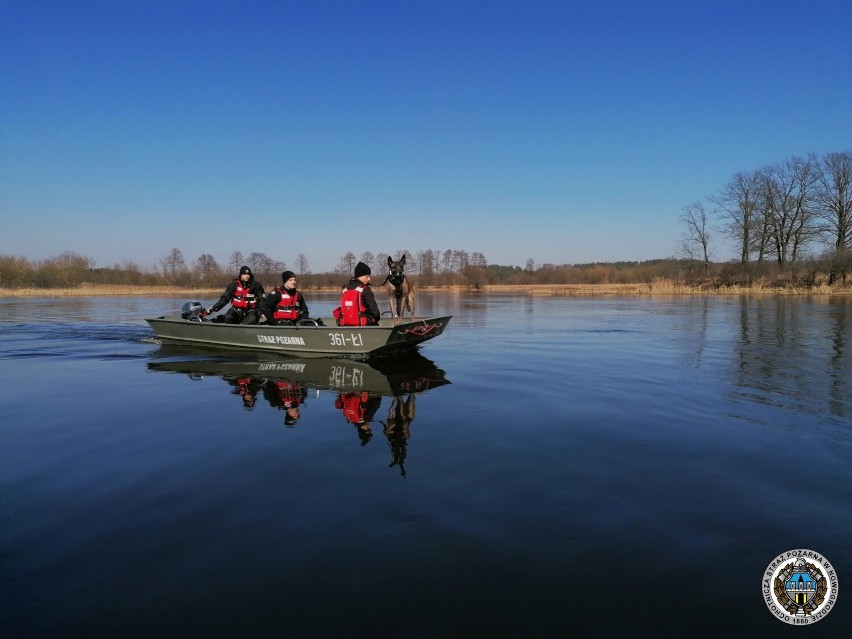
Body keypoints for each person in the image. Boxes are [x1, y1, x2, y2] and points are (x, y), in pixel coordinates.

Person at [337, 261, 381, 326]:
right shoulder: (365, 289)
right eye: (367, 276)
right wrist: (375, 319)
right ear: (360, 276)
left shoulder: (345, 288)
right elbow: (375, 313)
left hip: (345, 324)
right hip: (362, 324)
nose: (369, 279)